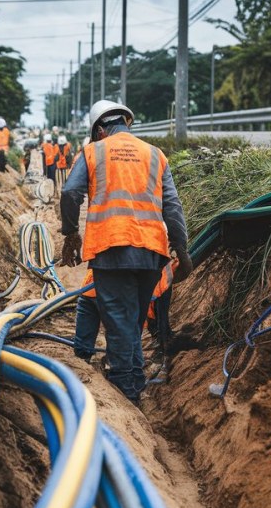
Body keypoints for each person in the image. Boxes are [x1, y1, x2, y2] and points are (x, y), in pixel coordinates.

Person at [59, 100, 194, 403]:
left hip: (113, 247)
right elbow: (173, 207)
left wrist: (70, 234)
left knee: (120, 322)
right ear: (125, 124)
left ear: (100, 129)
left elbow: (70, 192)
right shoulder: (155, 155)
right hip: (151, 252)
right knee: (131, 321)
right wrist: (182, 251)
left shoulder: (94, 150)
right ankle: (135, 380)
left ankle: (127, 393)